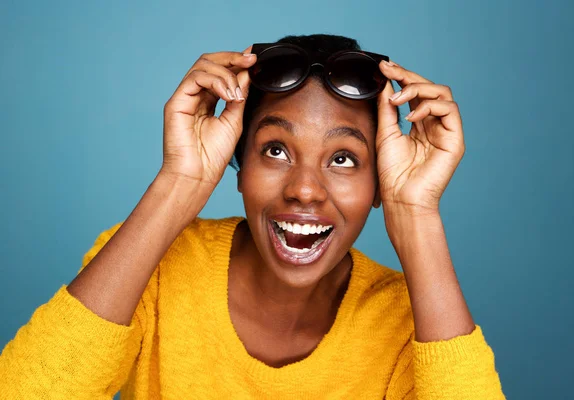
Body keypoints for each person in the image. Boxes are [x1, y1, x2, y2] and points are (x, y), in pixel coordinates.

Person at [0, 34, 505, 399]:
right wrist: (180, 182)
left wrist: (415, 213)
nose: (305, 189)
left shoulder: (412, 324)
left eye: (344, 159)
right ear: (237, 167)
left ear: (379, 183)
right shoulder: (151, 270)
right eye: (276, 151)